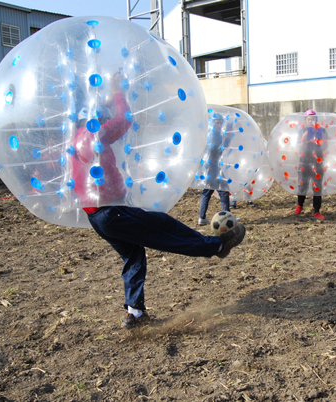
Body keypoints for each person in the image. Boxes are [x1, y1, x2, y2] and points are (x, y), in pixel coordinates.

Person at [70, 73, 246, 329]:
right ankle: (216, 247)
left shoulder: (76, 139)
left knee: (134, 256)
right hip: (112, 211)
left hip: (97, 217)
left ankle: (135, 314)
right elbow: (122, 121)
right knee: (164, 228)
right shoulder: (93, 134)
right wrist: (118, 90)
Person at [197, 113, 234, 226]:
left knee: (208, 192)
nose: (219, 124)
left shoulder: (209, 134)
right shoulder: (214, 134)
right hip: (212, 168)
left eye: (220, 122)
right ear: (212, 123)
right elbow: (220, 147)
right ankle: (227, 217)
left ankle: (202, 217)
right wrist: (228, 138)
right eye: (217, 122)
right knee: (222, 190)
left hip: (209, 168)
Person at [294, 109, 327, 220]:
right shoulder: (302, 131)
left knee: (317, 186)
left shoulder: (322, 131)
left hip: (317, 163)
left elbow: (325, 147)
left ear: (316, 120)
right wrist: (305, 137)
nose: (311, 121)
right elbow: (300, 148)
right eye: (309, 119)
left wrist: (320, 137)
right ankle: (300, 205)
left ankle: (316, 211)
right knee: (302, 184)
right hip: (304, 162)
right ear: (305, 120)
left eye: (313, 119)